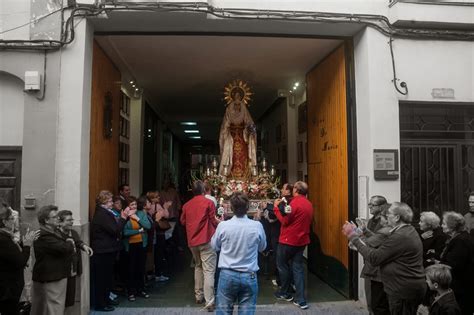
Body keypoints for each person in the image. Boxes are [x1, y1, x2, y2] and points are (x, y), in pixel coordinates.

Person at [342, 202, 426, 315]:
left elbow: (374, 257)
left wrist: (353, 236)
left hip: (402, 290)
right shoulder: (405, 231)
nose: (386, 217)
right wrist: (363, 232)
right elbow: (382, 245)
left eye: (388, 214)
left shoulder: (400, 236)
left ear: (397, 217)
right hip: (404, 287)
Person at [211, 192, 266, 315]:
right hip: (249, 275)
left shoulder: (223, 226)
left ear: (231, 208)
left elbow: (214, 246)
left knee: (224, 312)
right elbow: (262, 248)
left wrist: (220, 224)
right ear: (248, 207)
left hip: (227, 275)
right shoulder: (257, 226)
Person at [273, 181, 313, 310]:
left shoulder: (293, 203)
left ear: (296, 190)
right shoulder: (309, 204)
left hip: (288, 240)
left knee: (282, 265)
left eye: (294, 187)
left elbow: (285, 221)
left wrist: (275, 208)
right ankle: (301, 300)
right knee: (298, 269)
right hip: (301, 241)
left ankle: (285, 293)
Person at [181, 180, 220, 311]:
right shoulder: (208, 202)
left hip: (192, 241)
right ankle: (209, 302)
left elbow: (182, 221)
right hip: (206, 239)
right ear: (204, 191)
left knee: (198, 266)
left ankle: (198, 296)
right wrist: (221, 224)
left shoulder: (186, 205)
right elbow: (213, 220)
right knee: (209, 270)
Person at [31, 205, 76, 315]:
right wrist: (70, 243)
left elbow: (68, 241)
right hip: (51, 278)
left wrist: (70, 242)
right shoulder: (42, 235)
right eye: (55, 217)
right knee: (54, 309)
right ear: (46, 220)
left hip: (55, 276)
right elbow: (64, 248)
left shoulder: (54, 231)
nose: (58, 219)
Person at [90, 190, 130, 312]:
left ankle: (105, 300)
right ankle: (100, 304)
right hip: (103, 251)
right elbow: (114, 230)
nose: (112, 203)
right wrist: (123, 218)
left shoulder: (104, 212)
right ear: (104, 201)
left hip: (107, 250)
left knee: (107, 278)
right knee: (102, 279)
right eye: (110, 201)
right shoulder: (102, 214)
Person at [0, 204, 38, 315]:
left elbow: (11, 256)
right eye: (12, 219)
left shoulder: (6, 237)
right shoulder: (3, 239)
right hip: (7, 289)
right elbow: (20, 261)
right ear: (4, 221)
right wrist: (27, 245)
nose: (14, 221)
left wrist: (23, 243)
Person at [353, 204, 392, 315]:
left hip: (378, 271)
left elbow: (370, 243)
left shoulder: (387, 231)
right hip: (376, 269)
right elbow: (375, 238)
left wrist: (354, 236)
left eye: (383, 216)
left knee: (378, 305)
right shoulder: (377, 225)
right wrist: (365, 231)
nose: (381, 219)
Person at [57, 210, 93, 310]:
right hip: (61, 272)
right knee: (60, 300)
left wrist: (84, 246)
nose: (71, 222)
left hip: (72, 271)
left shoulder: (73, 232)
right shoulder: (56, 234)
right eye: (68, 220)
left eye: (72, 219)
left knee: (70, 300)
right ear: (60, 222)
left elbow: (78, 242)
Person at [440, 211, 474, 315]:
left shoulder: (460, 240)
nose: (441, 225)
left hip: (461, 289)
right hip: (463, 287)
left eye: (444, 223)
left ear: (452, 227)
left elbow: (454, 265)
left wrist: (439, 265)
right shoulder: (460, 237)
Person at [218, 88, 257, 178]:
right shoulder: (229, 108)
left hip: (243, 137)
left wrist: (250, 132)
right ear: (232, 96)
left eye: (239, 96)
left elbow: (250, 123)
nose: (237, 97)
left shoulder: (244, 108)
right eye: (235, 95)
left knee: (243, 157)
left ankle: (245, 177)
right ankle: (229, 176)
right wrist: (225, 133)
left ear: (241, 97)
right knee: (230, 156)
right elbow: (225, 125)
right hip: (231, 138)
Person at [122, 196, 152, 301]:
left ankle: (141, 290)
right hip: (130, 246)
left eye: (135, 204)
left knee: (141, 268)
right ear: (127, 207)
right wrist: (138, 231)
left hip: (141, 244)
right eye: (131, 205)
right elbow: (124, 232)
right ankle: (131, 292)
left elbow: (148, 226)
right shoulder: (125, 217)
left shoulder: (140, 214)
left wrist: (137, 218)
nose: (134, 207)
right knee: (131, 269)